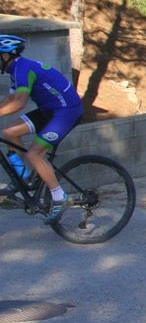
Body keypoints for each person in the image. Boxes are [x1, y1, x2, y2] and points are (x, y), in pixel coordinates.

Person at [0, 34, 84, 224]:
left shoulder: (22, 69)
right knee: (9, 132)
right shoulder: (16, 69)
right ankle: (23, 179)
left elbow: (19, 103)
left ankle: (59, 197)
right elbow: (9, 100)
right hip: (50, 110)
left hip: (66, 112)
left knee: (34, 154)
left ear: (5, 55)